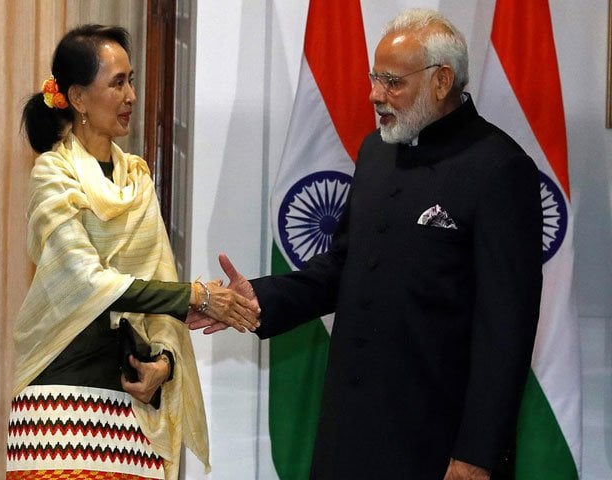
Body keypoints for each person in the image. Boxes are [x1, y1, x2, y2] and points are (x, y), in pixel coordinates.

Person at [188, 8, 543, 480]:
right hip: (350, 432)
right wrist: (260, 297)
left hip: (437, 446)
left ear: (442, 81)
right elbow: (343, 268)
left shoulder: (499, 169)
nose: (375, 94)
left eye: (392, 82)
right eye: (375, 78)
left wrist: (476, 453)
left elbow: (507, 328)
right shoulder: (376, 152)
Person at [7, 24, 259, 480]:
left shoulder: (136, 179)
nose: (131, 96)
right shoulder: (51, 174)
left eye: (132, 80)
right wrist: (196, 297)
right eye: (117, 83)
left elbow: (156, 283)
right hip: (57, 405)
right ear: (79, 98)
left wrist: (164, 363)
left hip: (131, 414)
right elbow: (87, 282)